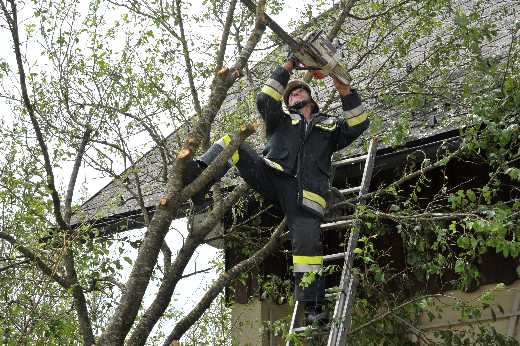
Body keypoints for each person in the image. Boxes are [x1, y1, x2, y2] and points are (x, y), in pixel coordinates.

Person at [183, 56, 369, 324]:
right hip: (272, 176)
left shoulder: (329, 127)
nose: (295, 93)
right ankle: (199, 176)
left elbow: (359, 123)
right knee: (232, 142)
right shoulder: (279, 120)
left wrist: (344, 90)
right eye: (290, 92)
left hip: (306, 197)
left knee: (307, 246)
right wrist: (290, 64)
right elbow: (265, 99)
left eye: (300, 90)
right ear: (287, 102)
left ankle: (314, 307)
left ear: (311, 98)